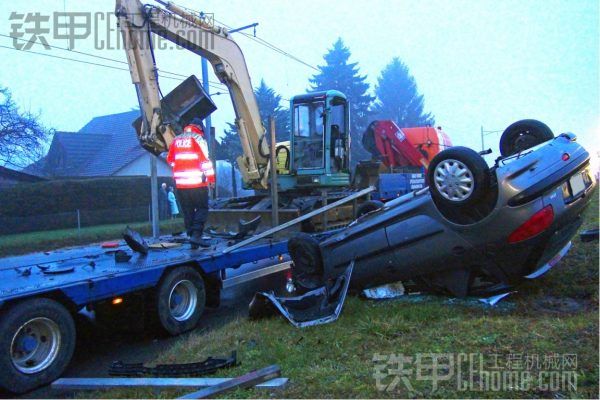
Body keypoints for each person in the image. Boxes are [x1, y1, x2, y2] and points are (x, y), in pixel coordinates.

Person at [166, 122, 215, 249]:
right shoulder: (198, 139)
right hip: (197, 182)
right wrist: (211, 179)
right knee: (202, 208)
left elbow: (170, 160)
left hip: (181, 184)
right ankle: (197, 235)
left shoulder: (176, 139)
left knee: (187, 210)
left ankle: (191, 236)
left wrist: (179, 171)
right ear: (199, 128)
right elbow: (205, 161)